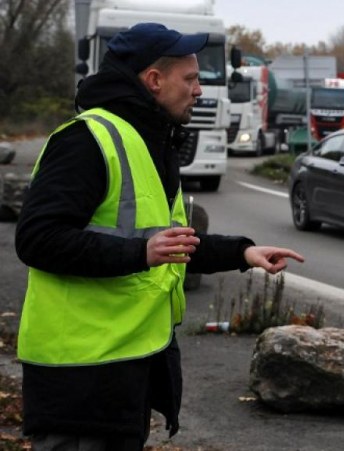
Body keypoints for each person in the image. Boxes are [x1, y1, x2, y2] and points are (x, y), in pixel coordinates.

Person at [14, 23, 304, 450]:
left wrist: (242, 251)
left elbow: (166, 244)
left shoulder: (150, 143)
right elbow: (37, 239)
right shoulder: (87, 140)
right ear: (153, 80)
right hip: (79, 380)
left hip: (124, 372)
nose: (200, 91)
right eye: (190, 79)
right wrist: (140, 252)